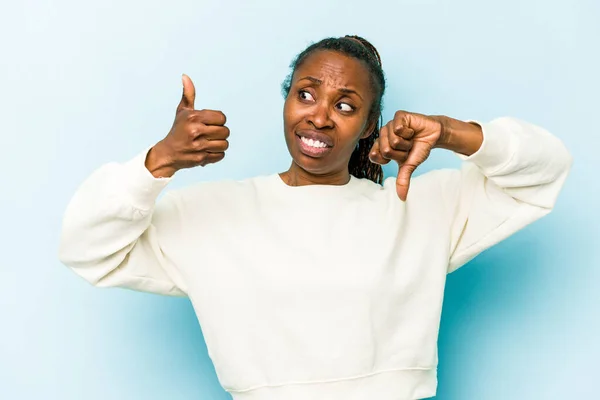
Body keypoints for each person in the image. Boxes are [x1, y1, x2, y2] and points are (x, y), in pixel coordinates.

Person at [58, 35, 572, 400]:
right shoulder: (210, 214)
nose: (319, 116)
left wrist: (451, 131)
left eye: (345, 106)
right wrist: (161, 159)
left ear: (370, 124)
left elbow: (544, 173)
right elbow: (86, 250)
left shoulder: (415, 206)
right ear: (286, 100)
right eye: (306, 94)